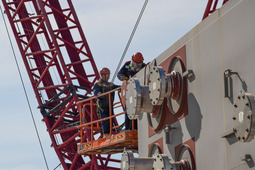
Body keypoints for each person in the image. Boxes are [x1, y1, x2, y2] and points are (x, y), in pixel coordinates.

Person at [117, 52, 146, 131]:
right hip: (129, 92)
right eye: (136, 63)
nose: (137, 65)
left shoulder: (143, 66)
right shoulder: (127, 65)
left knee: (138, 110)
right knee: (129, 111)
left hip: (139, 92)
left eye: (138, 63)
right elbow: (119, 74)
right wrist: (124, 78)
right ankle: (128, 129)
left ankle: (136, 129)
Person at [93, 67, 120, 136]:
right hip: (102, 106)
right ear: (103, 75)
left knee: (110, 120)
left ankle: (109, 133)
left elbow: (117, 87)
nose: (108, 76)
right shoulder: (98, 84)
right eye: (107, 75)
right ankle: (106, 134)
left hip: (109, 105)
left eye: (109, 75)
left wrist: (125, 86)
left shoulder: (110, 84)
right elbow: (96, 92)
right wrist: (102, 95)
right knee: (105, 120)